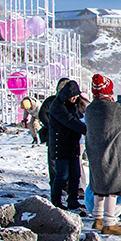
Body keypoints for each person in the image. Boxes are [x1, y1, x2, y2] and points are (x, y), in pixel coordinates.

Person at [83, 74, 121, 235]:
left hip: (95, 154)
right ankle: (109, 223)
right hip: (112, 154)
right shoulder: (113, 109)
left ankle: (97, 220)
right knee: (112, 188)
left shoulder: (90, 109)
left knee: (98, 187)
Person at [48, 79, 87, 210]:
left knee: (75, 174)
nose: (74, 98)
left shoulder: (74, 105)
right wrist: (89, 130)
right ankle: (56, 200)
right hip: (61, 145)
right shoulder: (57, 106)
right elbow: (70, 121)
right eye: (72, 96)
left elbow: (78, 118)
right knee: (62, 175)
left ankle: (73, 200)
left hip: (73, 144)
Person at [38, 78, 70, 192]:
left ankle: (61, 187)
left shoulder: (52, 101)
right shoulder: (52, 101)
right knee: (56, 164)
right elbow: (41, 114)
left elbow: (42, 114)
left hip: (64, 138)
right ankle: (59, 188)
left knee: (60, 164)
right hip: (57, 137)